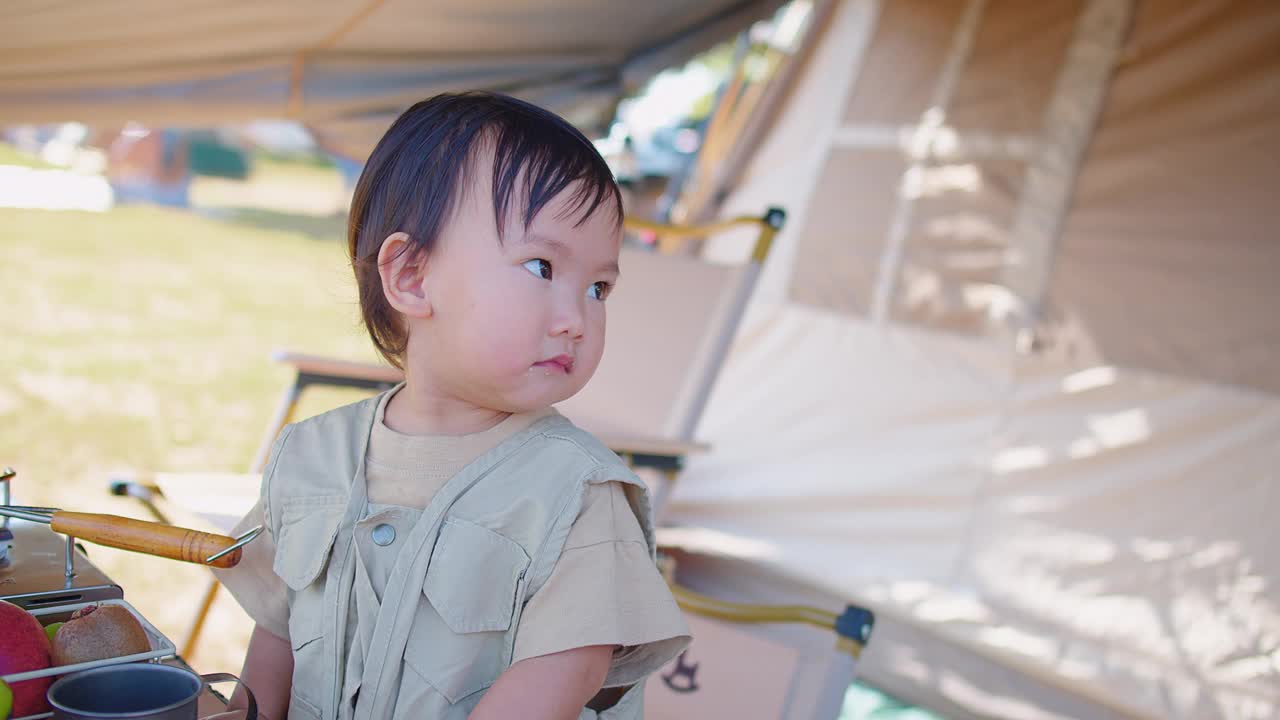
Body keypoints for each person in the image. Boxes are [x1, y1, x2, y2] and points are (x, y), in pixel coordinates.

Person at [212, 92, 691, 720]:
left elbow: (562, 675)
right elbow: (277, 636)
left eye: (598, 287)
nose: (576, 318)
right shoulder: (310, 456)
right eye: (542, 266)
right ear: (412, 277)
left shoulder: (578, 494)